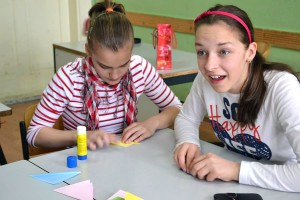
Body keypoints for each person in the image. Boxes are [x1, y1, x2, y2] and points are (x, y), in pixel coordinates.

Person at [174, 4, 300, 192]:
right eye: (202, 52)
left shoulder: (282, 86)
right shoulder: (205, 80)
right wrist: (187, 140)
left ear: (250, 52)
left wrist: (235, 170)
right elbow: (187, 118)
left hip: (279, 186)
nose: (209, 65)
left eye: (224, 51)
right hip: (232, 184)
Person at [27, 0, 181, 150]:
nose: (114, 76)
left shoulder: (139, 68)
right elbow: (35, 134)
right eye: (104, 66)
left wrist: (152, 123)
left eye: (123, 65)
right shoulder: (69, 79)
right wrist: (82, 136)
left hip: (128, 156)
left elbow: (176, 108)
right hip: (84, 161)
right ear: (88, 51)